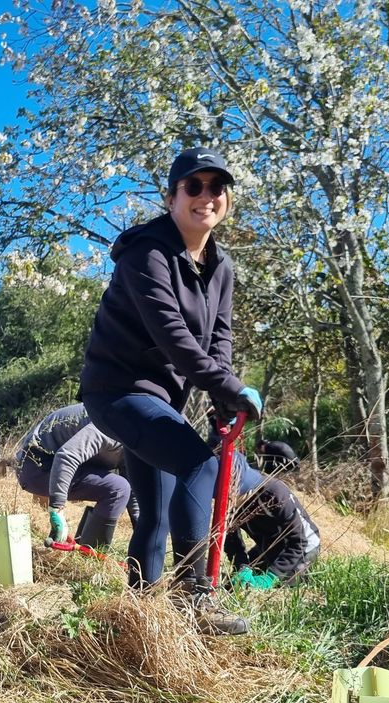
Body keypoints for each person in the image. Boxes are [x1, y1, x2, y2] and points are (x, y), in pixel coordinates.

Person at [79, 147, 262, 636]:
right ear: (172, 196)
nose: (206, 197)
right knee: (199, 464)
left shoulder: (219, 267)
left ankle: (138, 621)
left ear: (227, 199)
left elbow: (217, 339)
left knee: (155, 511)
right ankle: (196, 600)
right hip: (116, 391)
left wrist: (224, 395)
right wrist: (231, 387)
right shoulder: (148, 252)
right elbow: (173, 336)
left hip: (161, 401)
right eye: (193, 187)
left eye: (216, 187)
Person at [15, 403, 139, 548]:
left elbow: (133, 488)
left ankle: (85, 546)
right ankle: (90, 556)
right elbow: (66, 456)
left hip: (51, 464)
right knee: (118, 489)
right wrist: (57, 510)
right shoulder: (114, 425)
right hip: (37, 466)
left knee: (122, 487)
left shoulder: (133, 436)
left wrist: (142, 529)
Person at [224, 446, 320, 589]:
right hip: (268, 544)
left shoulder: (274, 493)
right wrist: (241, 566)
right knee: (242, 581)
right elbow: (232, 541)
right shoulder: (228, 503)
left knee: (287, 582)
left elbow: (298, 541)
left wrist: (271, 577)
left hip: (303, 546)